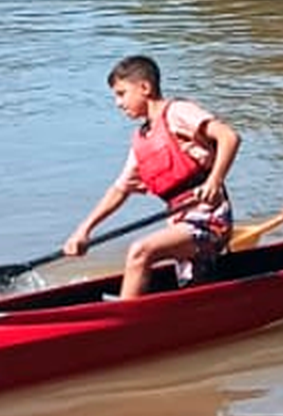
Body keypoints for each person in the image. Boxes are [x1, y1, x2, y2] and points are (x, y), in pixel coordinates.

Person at [64, 55, 241, 299]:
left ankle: (123, 325)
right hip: (180, 222)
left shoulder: (178, 112)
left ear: (145, 88)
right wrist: (84, 230)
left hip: (210, 218)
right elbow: (119, 190)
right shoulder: (143, 139)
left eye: (121, 93)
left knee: (140, 251)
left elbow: (228, 136)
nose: (118, 103)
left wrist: (214, 181)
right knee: (194, 288)